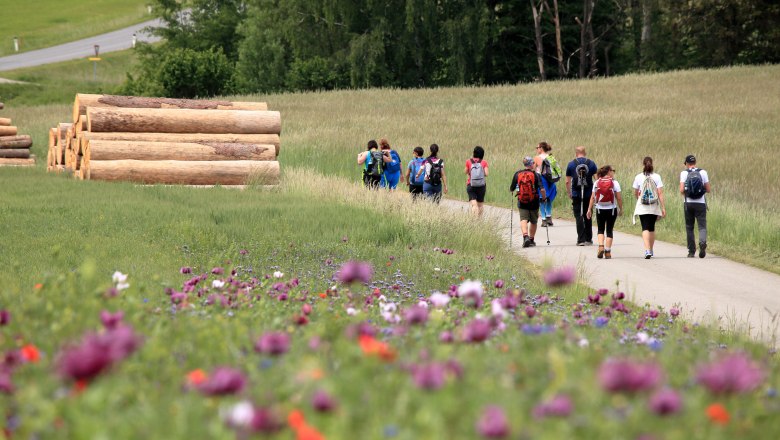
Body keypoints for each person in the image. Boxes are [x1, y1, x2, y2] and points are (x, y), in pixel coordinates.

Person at [632, 156, 666, 259]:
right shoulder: (657, 177)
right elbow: (660, 193)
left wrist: (639, 199)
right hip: (654, 205)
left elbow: (635, 192)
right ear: (652, 164)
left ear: (643, 164)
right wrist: (663, 207)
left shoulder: (638, 177)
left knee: (645, 227)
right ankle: (651, 249)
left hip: (642, 205)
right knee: (651, 228)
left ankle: (647, 250)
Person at [586, 165, 623, 259]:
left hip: (599, 209)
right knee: (609, 230)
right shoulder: (615, 183)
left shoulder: (597, 182)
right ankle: (607, 252)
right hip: (611, 209)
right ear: (609, 172)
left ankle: (601, 246)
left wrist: (589, 209)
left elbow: (593, 197)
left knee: (600, 229)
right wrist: (620, 208)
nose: (613, 172)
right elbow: (618, 198)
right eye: (612, 171)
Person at [510, 156, 547, 248]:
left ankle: (525, 236)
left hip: (522, 201)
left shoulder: (517, 174)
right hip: (534, 201)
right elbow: (542, 189)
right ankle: (531, 239)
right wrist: (544, 198)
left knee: (523, 219)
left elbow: (511, 189)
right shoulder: (536, 175)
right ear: (531, 164)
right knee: (534, 221)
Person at [679, 154, 711, 258]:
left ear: (686, 163)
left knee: (689, 227)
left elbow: (681, 190)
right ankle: (702, 242)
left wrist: (688, 194)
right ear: (695, 163)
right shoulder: (703, 172)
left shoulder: (684, 173)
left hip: (688, 203)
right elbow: (708, 189)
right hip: (701, 203)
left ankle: (691, 251)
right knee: (702, 226)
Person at [565, 146, 598, 245]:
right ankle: (588, 238)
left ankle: (581, 239)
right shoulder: (591, 163)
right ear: (585, 152)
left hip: (576, 193)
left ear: (576, 153)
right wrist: (595, 193)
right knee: (588, 214)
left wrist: (569, 192)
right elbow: (597, 180)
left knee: (578, 215)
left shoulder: (571, 164)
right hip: (588, 194)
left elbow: (567, 181)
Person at [534, 141, 561, 226]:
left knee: (542, 199)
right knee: (549, 198)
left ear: (541, 148)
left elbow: (534, 170)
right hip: (551, 179)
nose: (537, 149)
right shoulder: (551, 157)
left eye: (537, 148)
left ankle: (544, 219)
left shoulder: (537, 158)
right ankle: (549, 217)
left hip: (542, 179)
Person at [465, 146, 489, 217]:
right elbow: (487, 174)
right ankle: (479, 221)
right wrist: (480, 173)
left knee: (474, 204)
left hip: (471, 184)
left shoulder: (468, 161)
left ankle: (474, 221)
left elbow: (466, 171)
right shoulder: (484, 162)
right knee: (480, 205)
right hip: (481, 185)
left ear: (474, 153)